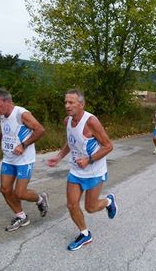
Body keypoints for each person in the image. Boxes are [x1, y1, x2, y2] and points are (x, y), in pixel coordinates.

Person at [46, 89, 116, 251]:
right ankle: (85, 234)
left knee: (90, 208)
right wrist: (59, 156)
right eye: (66, 102)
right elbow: (71, 142)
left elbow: (108, 146)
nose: (67, 106)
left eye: (71, 102)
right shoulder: (67, 121)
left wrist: (89, 159)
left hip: (95, 171)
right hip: (76, 171)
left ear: (81, 104)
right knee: (72, 205)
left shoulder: (91, 122)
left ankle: (109, 201)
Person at [0, 88, 49, 232]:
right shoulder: (3, 115)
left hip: (24, 160)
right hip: (9, 158)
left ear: (7, 101)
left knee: (20, 193)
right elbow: (8, 132)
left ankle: (40, 199)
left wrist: (23, 145)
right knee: (5, 189)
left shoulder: (21, 114)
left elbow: (40, 130)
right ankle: (21, 217)